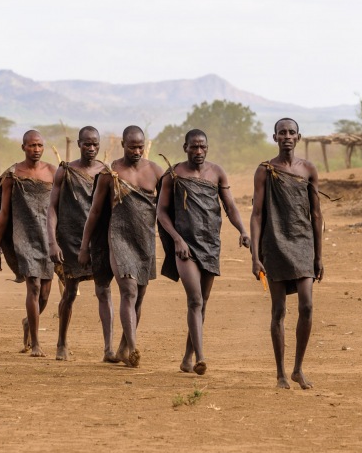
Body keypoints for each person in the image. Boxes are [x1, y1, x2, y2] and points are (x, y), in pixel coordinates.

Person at [156, 129, 251, 375]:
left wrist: (242, 230)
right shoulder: (173, 174)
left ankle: (187, 357)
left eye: (202, 147)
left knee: (202, 303)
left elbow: (229, 206)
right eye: (193, 147)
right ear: (185, 147)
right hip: (185, 247)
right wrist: (177, 239)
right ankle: (200, 357)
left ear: (207, 148)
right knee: (195, 299)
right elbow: (161, 212)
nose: (198, 152)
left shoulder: (217, 172)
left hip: (210, 244)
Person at [79, 125, 163, 367]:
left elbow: (168, 206)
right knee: (128, 291)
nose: (136, 151)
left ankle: (124, 347)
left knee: (139, 297)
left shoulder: (155, 171)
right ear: (123, 145)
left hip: (145, 240)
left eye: (139, 146)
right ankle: (135, 349)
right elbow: (95, 211)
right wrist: (85, 245)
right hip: (119, 238)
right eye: (131, 146)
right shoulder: (111, 173)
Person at [250, 118, 323, 390]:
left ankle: (298, 369)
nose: (287, 136)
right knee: (278, 310)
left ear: (299, 137)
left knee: (307, 306)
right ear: (275, 137)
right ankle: (281, 373)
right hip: (275, 244)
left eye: (291, 132)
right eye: (282, 133)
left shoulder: (308, 169)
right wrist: (255, 255)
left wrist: (318, 255)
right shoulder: (265, 171)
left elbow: (316, 214)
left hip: (304, 243)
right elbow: (257, 214)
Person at [47, 126, 114, 361]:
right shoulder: (65, 171)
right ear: (79, 144)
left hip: (98, 240)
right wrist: (53, 242)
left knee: (104, 291)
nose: (92, 148)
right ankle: (61, 343)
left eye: (95, 144)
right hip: (71, 240)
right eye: (87, 144)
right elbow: (52, 209)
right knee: (70, 293)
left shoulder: (106, 172)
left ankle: (108, 349)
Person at [0, 130, 56, 357]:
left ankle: (29, 323)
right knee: (34, 286)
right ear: (23, 147)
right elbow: (4, 212)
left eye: (39, 145)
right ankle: (36, 343)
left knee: (46, 294)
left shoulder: (52, 173)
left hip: (47, 238)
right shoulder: (13, 175)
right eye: (31, 146)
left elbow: (59, 209)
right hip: (23, 237)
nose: (36, 150)